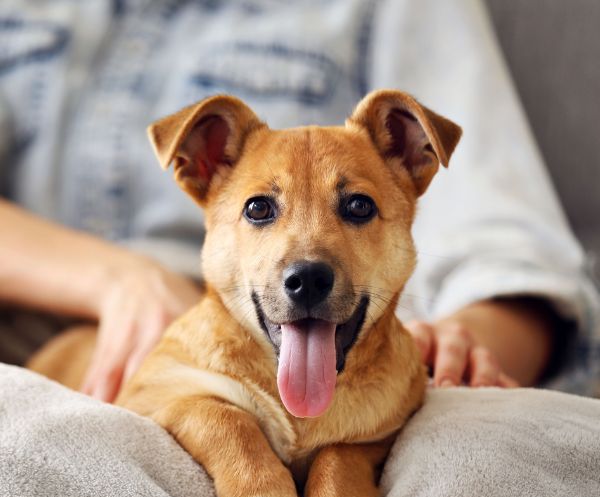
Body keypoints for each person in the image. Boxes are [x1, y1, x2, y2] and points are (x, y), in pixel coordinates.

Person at [1, 0, 598, 403]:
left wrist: (458, 342)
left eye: (357, 206)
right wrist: (118, 279)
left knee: (485, 461)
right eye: (261, 208)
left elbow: (509, 252)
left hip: (329, 344)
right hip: (29, 342)